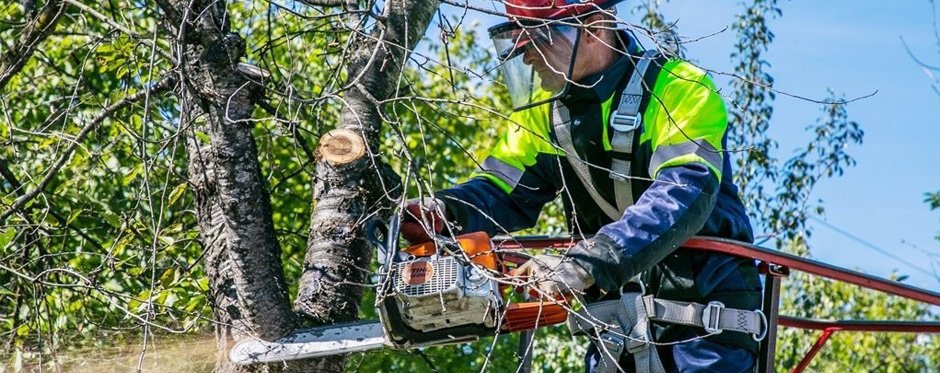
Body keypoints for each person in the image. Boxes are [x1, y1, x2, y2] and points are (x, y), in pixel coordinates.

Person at [401, 1, 764, 372]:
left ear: (593, 27)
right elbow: (498, 190)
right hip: (614, 329)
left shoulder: (681, 89)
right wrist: (442, 212)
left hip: (703, 327)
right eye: (519, 42)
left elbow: (682, 194)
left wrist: (590, 261)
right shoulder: (547, 115)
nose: (527, 58)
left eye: (538, 39)